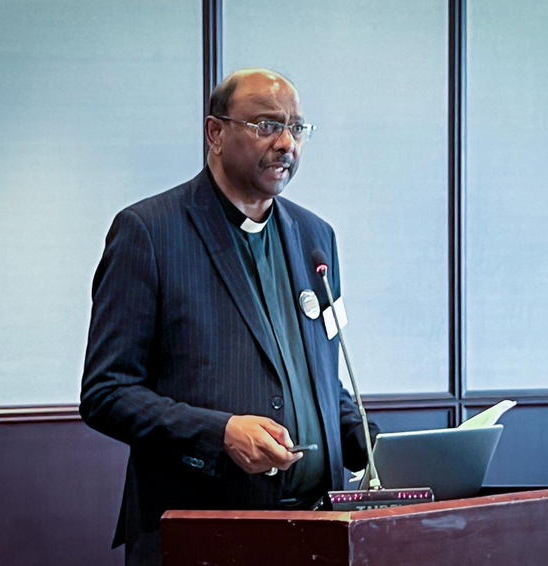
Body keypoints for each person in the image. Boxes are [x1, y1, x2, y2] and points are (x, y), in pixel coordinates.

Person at [80, 68, 378, 566]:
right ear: (216, 133)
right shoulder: (149, 233)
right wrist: (220, 433)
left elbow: (322, 383)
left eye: (296, 129)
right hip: (203, 534)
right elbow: (106, 394)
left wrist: (375, 447)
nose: (286, 143)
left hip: (322, 529)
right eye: (266, 125)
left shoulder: (314, 237)